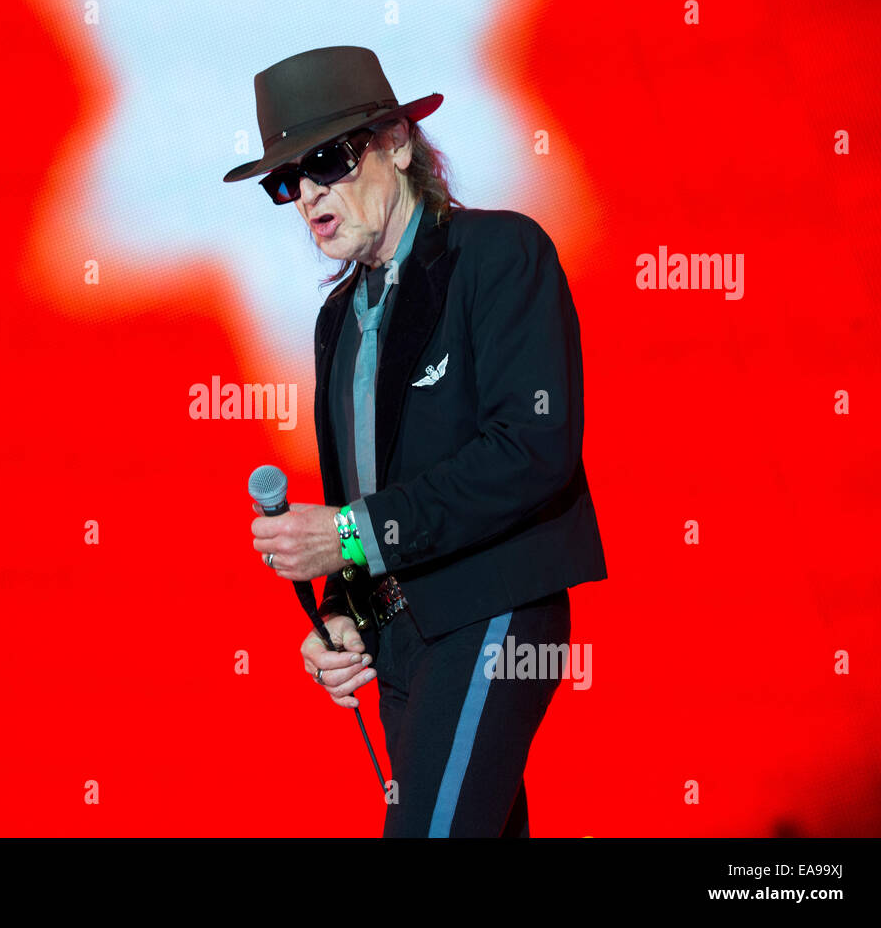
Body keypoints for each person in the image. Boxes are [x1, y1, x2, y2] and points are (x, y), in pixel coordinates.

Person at [225, 46, 608, 837]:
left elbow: (532, 446)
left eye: (328, 159)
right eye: (290, 180)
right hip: (402, 639)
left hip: (490, 607)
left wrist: (342, 536)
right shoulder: (338, 321)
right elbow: (365, 498)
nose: (310, 195)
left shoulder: (498, 253)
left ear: (399, 142)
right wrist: (342, 615)